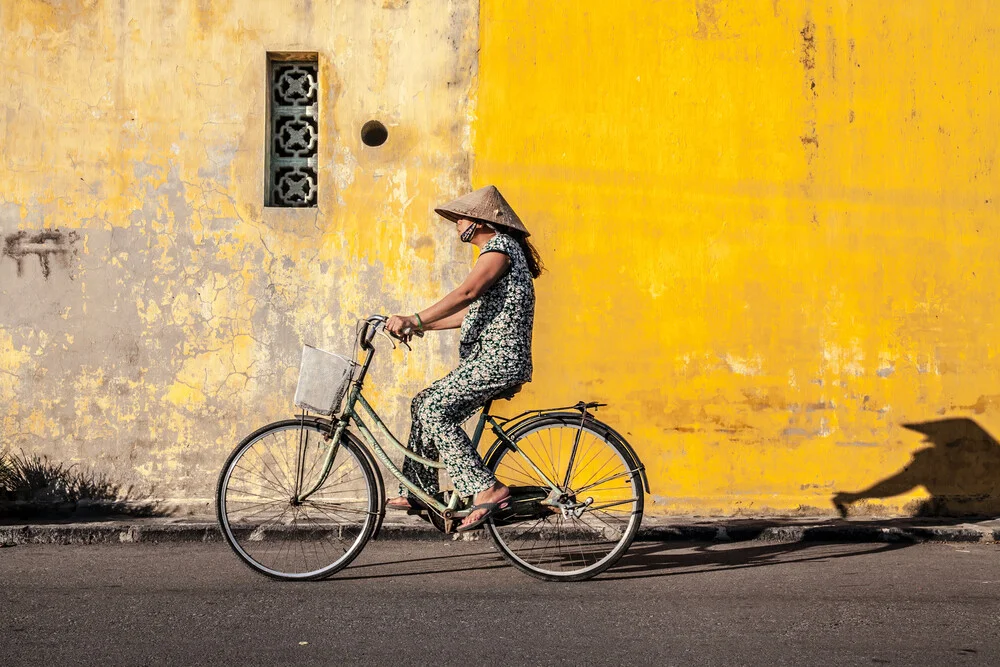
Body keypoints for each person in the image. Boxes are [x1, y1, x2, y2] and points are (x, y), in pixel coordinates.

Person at [385, 185, 544, 531]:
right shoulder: (498, 253)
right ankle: (421, 491)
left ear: (481, 221)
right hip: (488, 359)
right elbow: (468, 313)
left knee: (433, 410)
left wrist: (415, 318)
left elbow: (467, 293)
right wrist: (421, 326)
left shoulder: (501, 247)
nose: (457, 223)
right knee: (423, 403)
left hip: (497, 360)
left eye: (461, 217)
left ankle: (488, 489)